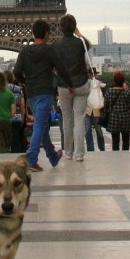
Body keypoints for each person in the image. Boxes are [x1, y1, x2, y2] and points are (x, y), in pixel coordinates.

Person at [13, 19, 65, 172]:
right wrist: (69, 84)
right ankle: (31, 158)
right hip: (45, 91)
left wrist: (25, 82)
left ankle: (52, 156)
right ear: (47, 34)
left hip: (31, 94)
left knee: (41, 125)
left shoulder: (24, 51)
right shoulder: (49, 50)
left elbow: (16, 71)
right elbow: (61, 68)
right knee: (40, 125)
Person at [49, 14, 91, 163]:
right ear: (74, 27)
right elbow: (89, 45)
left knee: (67, 120)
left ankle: (68, 152)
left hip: (64, 86)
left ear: (60, 28)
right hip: (80, 84)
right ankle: (79, 154)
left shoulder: (55, 45)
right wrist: (79, 34)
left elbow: (53, 66)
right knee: (79, 119)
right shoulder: (80, 43)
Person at [104, 71, 130, 151]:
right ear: (123, 81)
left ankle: (116, 158)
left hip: (113, 118)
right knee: (126, 140)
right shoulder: (127, 92)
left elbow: (105, 105)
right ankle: (125, 157)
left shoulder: (109, 92)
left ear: (114, 81)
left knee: (115, 141)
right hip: (125, 118)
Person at [86, 68, 106, 152]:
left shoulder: (98, 83)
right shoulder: (86, 83)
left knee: (99, 131)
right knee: (87, 131)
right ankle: (90, 149)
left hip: (96, 110)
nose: (92, 75)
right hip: (87, 110)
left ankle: (102, 148)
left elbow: (102, 96)